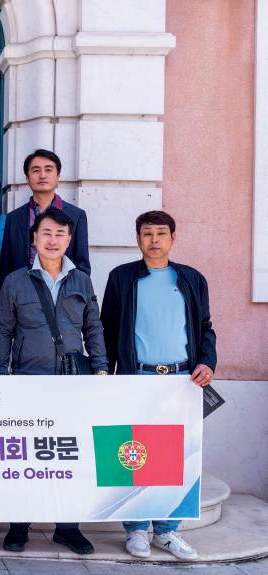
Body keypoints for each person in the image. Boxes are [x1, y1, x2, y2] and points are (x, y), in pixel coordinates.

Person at [100, 210, 216, 561]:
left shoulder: (191, 279)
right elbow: (107, 330)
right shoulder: (122, 278)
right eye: (147, 233)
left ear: (172, 238)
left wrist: (207, 362)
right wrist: (106, 376)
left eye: (161, 233)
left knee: (176, 458)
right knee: (132, 454)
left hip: (182, 380)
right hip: (137, 378)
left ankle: (167, 531)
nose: (154, 240)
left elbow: (205, 328)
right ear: (137, 238)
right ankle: (136, 529)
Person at [0, 207, 107, 555]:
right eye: (46, 233)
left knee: (69, 455)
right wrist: (1, 374)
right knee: (26, 455)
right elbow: (3, 331)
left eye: (60, 234)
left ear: (69, 240)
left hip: (72, 382)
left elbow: (93, 327)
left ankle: (68, 528)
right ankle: (19, 525)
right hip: (28, 381)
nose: (53, 240)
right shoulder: (15, 281)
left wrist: (101, 369)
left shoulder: (81, 280)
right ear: (34, 238)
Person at [0, 149, 91, 287]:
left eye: (48, 170)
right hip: (22, 292)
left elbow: (82, 266)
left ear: (58, 177)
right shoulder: (13, 218)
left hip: (62, 291)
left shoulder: (76, 216)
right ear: (27, 178)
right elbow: (6, 266)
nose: (42, 175)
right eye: (36, 170)